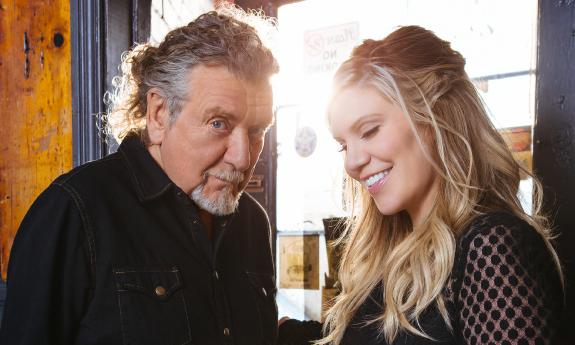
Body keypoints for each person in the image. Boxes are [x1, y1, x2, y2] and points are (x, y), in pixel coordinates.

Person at [0, 6, 279, 345]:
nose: (243, 156)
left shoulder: (252, 222)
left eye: (256, 131)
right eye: (218, 124)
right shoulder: (73, 212)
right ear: (159, 114)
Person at [278, 25, 564, 345]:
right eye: (343, 145)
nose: (352, 162)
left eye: (370, 130)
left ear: (435, 116)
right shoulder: (393, 255)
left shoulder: (490, 246)